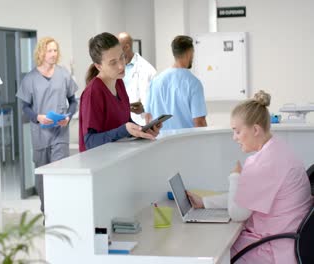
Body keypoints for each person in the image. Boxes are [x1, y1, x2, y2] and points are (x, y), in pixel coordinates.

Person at [187, 91, 313, 264]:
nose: (234, 138)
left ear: (255, 129)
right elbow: (244, 198)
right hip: (290, 242)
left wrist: (235, 177)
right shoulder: (279, 149)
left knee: (214, 253)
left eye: (237, 131)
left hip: (274, 249)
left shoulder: (262, 163)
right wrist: (205, 202)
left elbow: (238, 212)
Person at [16, 37, 78, 213]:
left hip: (60, 133)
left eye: (55, 50)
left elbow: (73, 101)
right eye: (49, 50)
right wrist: (37, 117)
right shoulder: (31, 78)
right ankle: (47, 213)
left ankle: (61, 213)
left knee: (59, 174)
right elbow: (25, 107)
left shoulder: (63, 74)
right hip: (40, 135)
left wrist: (69, 115)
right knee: (43, 178)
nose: (53, 54)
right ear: (41, 53)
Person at [79, 32, 161, 153]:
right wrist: (124, 130)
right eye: (113, 63)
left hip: (118, 159)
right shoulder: (93, 93)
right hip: (98, 164)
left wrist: (143, 130)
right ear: (98, 66)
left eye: (122, 57)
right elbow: (90, 141)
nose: (121, 66)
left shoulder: (119, 83)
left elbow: (125, 123)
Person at [145, 35, 207, 130]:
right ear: (189, 53)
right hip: (184, 142)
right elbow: (199, 122)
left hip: (160, 141)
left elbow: (148, 117)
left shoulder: (156, 81)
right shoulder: (193, 83)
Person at [117, 32, 157, 126]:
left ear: (126, 47)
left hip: (139, 122)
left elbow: (155, 100)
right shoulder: (116, 68)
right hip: (120, 122)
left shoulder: (147, 69)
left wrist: (144, 108)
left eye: (117, 46)